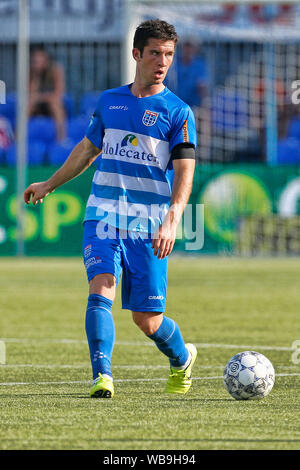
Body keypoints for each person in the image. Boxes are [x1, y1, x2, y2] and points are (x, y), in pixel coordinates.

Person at [24, 19, 198, 399]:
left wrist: (172, 221)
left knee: (147, 320)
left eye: (168, 54)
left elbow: (186, 172)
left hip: (149, 226)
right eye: (155, 53)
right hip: (102, 217)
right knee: (101, 288)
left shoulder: (178, 112)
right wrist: (49, 183)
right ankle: (102, 376)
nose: (162, 62)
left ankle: (182, 358)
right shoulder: (109, 101)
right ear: (136, 54)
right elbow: (87, 150)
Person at [29, 47, 66, 141]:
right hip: (37, 104)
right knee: (28, 104)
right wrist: (36, 76)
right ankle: (18, 137)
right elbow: (31, 93)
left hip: (51, 103)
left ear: (46, 60)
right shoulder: (31, 72)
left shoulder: (56, 70)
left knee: (55, 104)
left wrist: (42, 97)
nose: (37, 63)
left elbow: (59, 93)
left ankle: (62, 138)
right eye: (35, 61)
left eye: (40, 60)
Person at [166, 40, 209, 108]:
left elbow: (202, 85)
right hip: (172, 103)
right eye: (186, 46)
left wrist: (205, 103)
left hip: (192, 105)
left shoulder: (199, 65)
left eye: (191, 47)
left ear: (196, 49)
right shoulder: (173, 61)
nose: (188, 49)